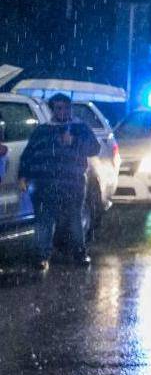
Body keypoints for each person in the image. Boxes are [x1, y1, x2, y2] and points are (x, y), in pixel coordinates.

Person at [18, 93, 100, 270]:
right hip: (45, 184)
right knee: (44, 220)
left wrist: (74, 141)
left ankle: (79, 253)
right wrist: (23, 175)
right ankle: (42, 256)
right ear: (52, 109)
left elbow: (95, 148)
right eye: (58, 108)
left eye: (66, 107)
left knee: (73, 219)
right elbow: (29, 154)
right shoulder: (42, 130)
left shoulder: (80, 128)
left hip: (72, 183)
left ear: (70, 108)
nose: (62, 111)